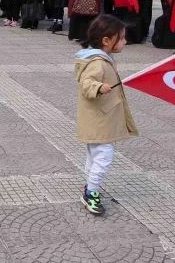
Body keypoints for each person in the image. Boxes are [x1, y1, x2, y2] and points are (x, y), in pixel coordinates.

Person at [75, 14, 138, 216]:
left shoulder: (103, 59)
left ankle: (89, 187)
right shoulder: (98, 63)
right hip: (99, 121)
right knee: (103, 157)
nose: (124, 42)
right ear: (106, 41)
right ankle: (91, 192)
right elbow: (86, 83)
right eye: (121, 38)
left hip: (101, 118)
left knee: (95, 156)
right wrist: (98, 86)